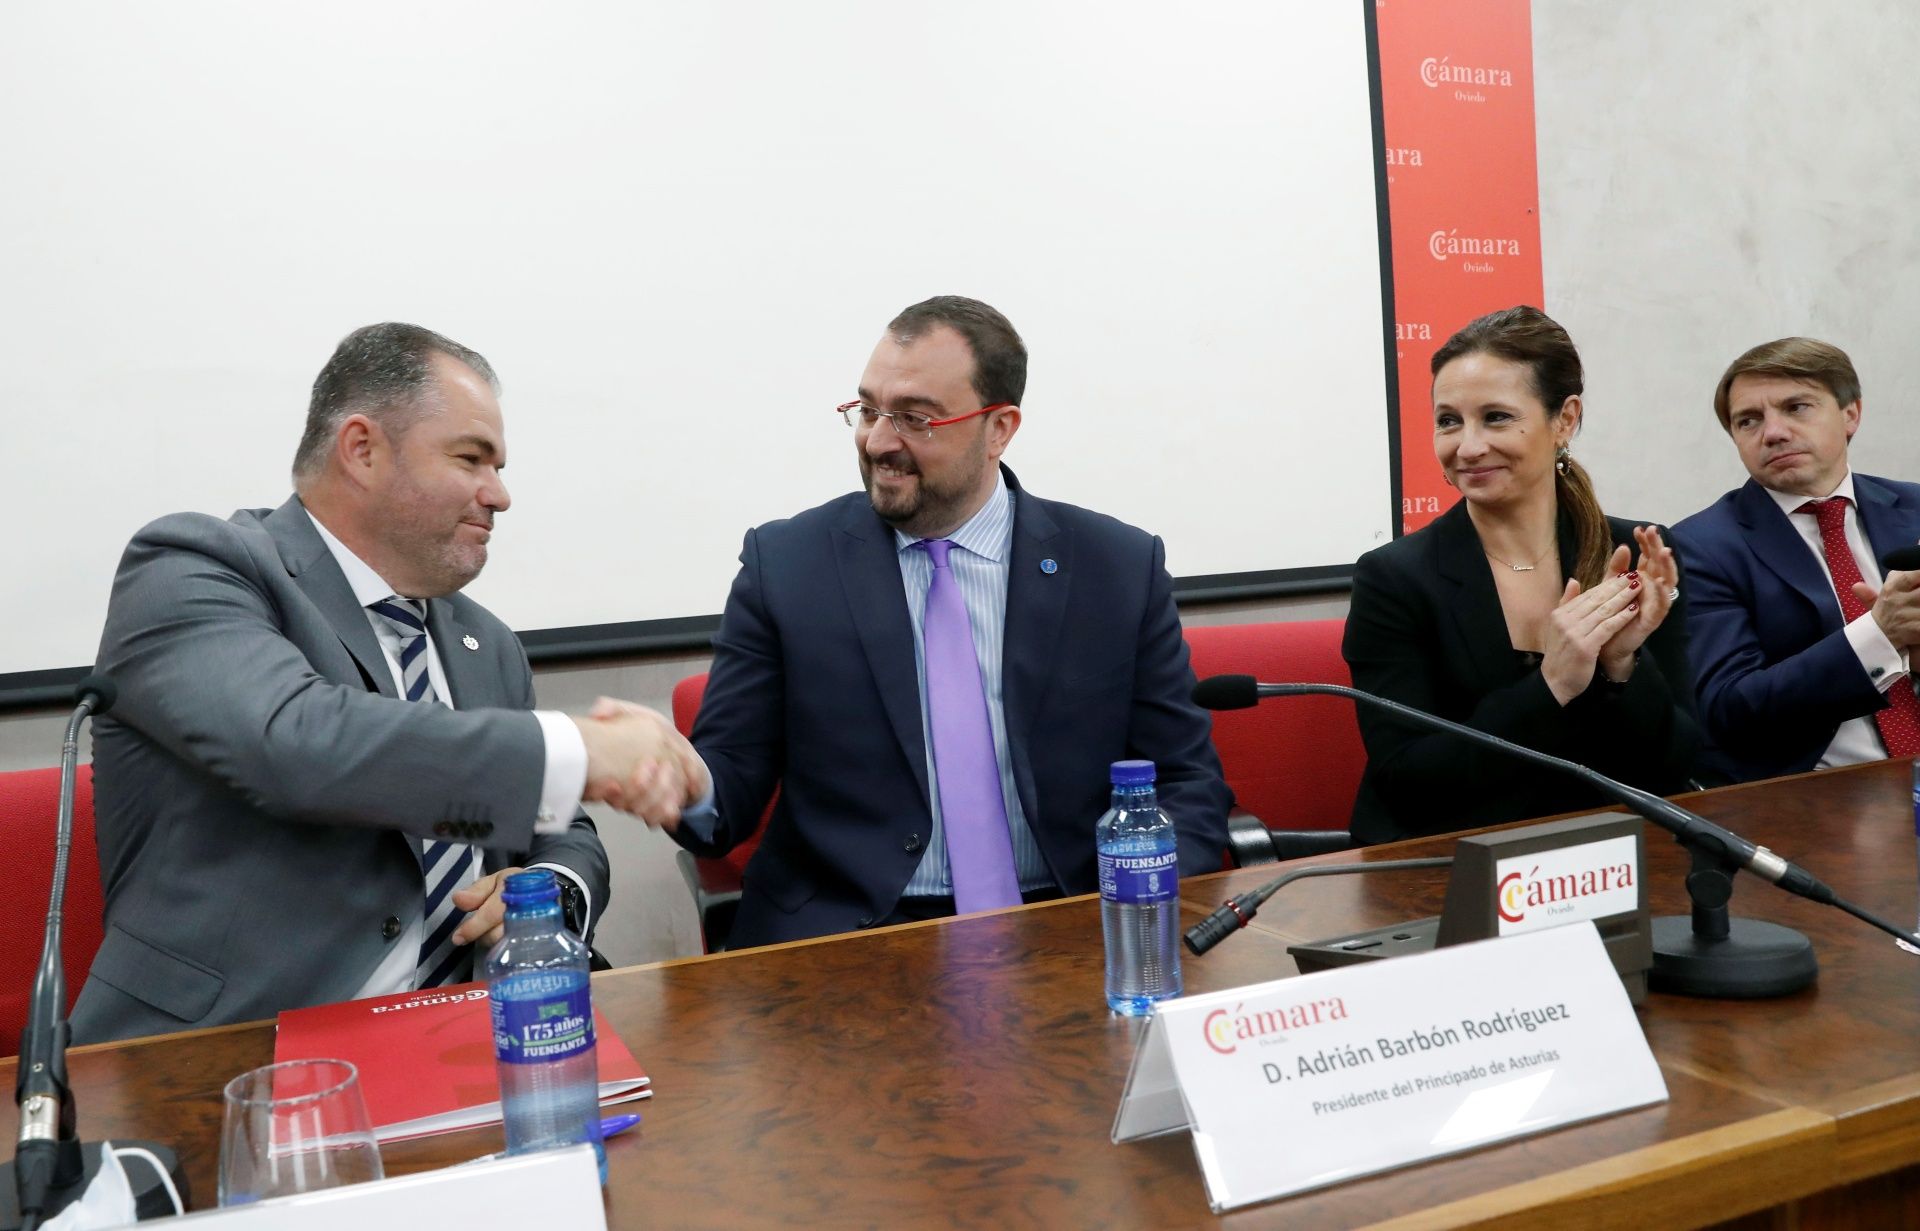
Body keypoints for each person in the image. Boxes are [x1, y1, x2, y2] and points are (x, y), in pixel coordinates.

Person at [73, 323, 701, 1043]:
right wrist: (586, 748)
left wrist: (551, 890)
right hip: (232, 1058)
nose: (498, 494)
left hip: (470, 1042)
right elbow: (301, 744)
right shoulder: (193, 568)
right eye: (472, 459)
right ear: (362, 449)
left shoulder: (485, 642)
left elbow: (563, 831)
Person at [654, 295, 1232, 947]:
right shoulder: (787, 565)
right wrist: (677, 776)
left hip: (1068, 923)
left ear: (1000, 428)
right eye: (868, 409)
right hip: (848, 941)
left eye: (914, 419)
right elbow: (728, 781)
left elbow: (1186, 781)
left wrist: (1138, 909)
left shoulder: (1116, 568)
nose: (877, 441)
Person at [1342, 305, 1700, 844]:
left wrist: (1623, 665)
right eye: (1448, 421)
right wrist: (1552, 684)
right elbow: (1408, 781)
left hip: (1616, 855)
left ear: (1566, 419)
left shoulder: (1637, 552)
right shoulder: (1394, 579)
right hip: (1451, 865)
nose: (1468, 446)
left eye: (1496, 417)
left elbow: (1680, 764)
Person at [1673, 337, 1920, 783]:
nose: (1773, 432)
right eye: (1748, 421)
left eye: (1797, 407)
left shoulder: (1915, 508)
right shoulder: (1700, 546)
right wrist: (1878, 636)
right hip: (1820, 792)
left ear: (1850, 414)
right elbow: (1729, 706)